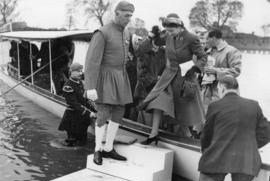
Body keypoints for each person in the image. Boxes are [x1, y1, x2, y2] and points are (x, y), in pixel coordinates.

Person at [139, 13, 207, 144]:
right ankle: (153, 134)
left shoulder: (192, 38)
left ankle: (189, 138)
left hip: (184, 78)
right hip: (167, 77)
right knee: (157, 101)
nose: (170, 33)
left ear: (180, 26)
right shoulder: (168, 36)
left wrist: (194, 67)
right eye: (167, 31)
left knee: (181, 112)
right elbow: (154, 43)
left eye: (172, 30)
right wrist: (152, 35)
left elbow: (203, 57)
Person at [198, 75, 270, 181]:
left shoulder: (215, 106)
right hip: (245, 160)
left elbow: (206, 136)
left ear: (222, 88)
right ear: (238, 89)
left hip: (216, 156)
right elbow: (266, 133)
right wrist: (249, 145)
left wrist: (205, 150)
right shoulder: (254, 106)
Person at [84, 1, 135, 165]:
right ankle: (97, 149)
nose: (129, 19)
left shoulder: (126, 33)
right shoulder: (102, 32)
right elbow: (92, 62)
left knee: (119, 111)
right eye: (126, 15)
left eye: (130, 16)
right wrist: (90, 87)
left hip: (121, 77)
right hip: (105, 78)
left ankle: (108, 148)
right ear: (117, 13)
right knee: (103, 114)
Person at [202, 29, 242, 112]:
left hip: (224, 91)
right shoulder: (208, 51)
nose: (205, 41)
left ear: (213, 38)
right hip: (207, 92)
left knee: (222, 117)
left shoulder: (232, 51)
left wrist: (216, 71)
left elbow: (236, 70)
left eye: (206, 38)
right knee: (206, 118)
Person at [58, 63, 96, 147]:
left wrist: (95, 109)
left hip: (82, 118)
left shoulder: (81, 84)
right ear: (71, 72)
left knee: (83, 140)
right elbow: (74, 104)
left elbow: (86, 99)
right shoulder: (68, 86)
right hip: (73, 118)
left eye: (81, 71)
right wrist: (89, 113)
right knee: (72, 142)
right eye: (78, 71)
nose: (81, 73)